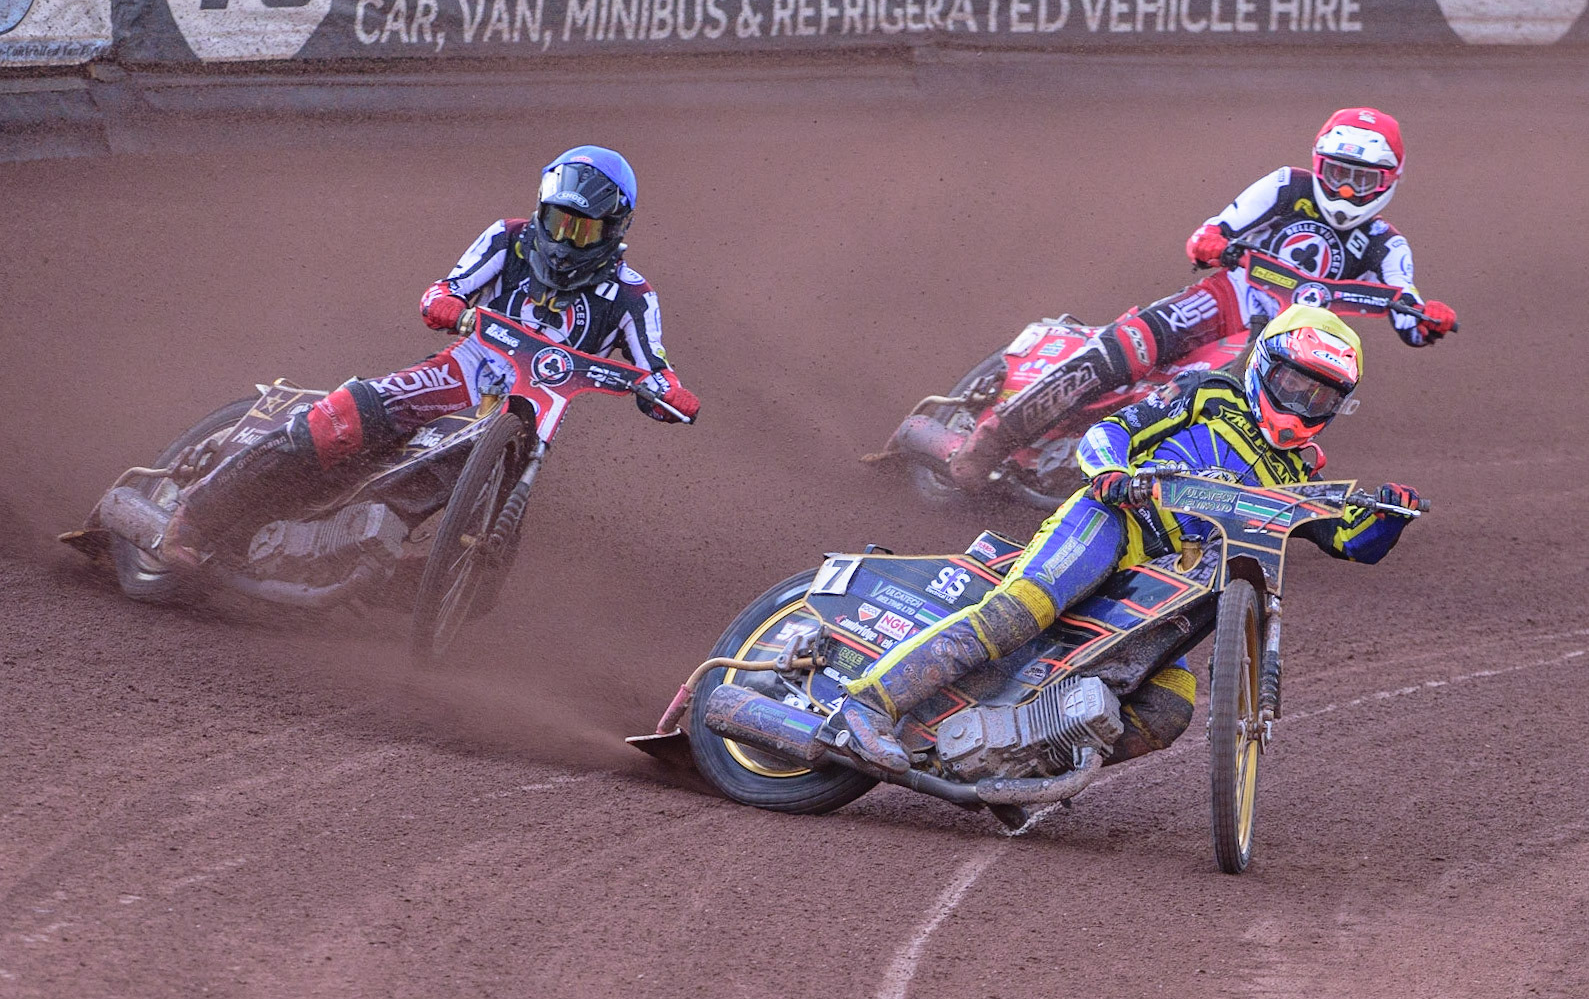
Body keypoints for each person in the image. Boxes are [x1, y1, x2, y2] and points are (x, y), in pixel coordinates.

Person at [827, 305, 1420, 774]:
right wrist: (1112, 472)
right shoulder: (1211, 394)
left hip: (1166, 587)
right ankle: (867, 704)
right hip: (1111, 523)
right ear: (1265, 365)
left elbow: (1349, 541)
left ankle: (1020, 760)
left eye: (1321, 396)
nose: (1303, 403)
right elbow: (1113, 429)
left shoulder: (1301, 472)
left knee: (1169, 708)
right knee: (1021, 612)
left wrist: (1390, 513)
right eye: (1295, 383)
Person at [160, 145, 699, 563]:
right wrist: (454, 310)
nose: (566, 240)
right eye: (558, 223)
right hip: (460, 373)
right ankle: (197, 514)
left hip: (527, 418)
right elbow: (442, 292)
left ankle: (373, 574)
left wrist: (668, 396)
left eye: (583, 230)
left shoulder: (632, 296)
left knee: (492, 554)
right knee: (346, 417)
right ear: (541, 212)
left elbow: (657, 371)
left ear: (616, 228)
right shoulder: (507, 239)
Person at [945, 107, 1457, 490]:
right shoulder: (1285, 186)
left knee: (1259, 410)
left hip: (1286, 344)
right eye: (1338, 175)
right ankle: (988, 440)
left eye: (1361, 181)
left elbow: (1408, 313)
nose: (1345, 192)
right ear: (1320, 165)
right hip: (1226, 299)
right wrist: (1210, 243)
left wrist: (1428, 320)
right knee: (1128, 347)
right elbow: (1214, 231)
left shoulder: (1388, 244)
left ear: (1388, 182)